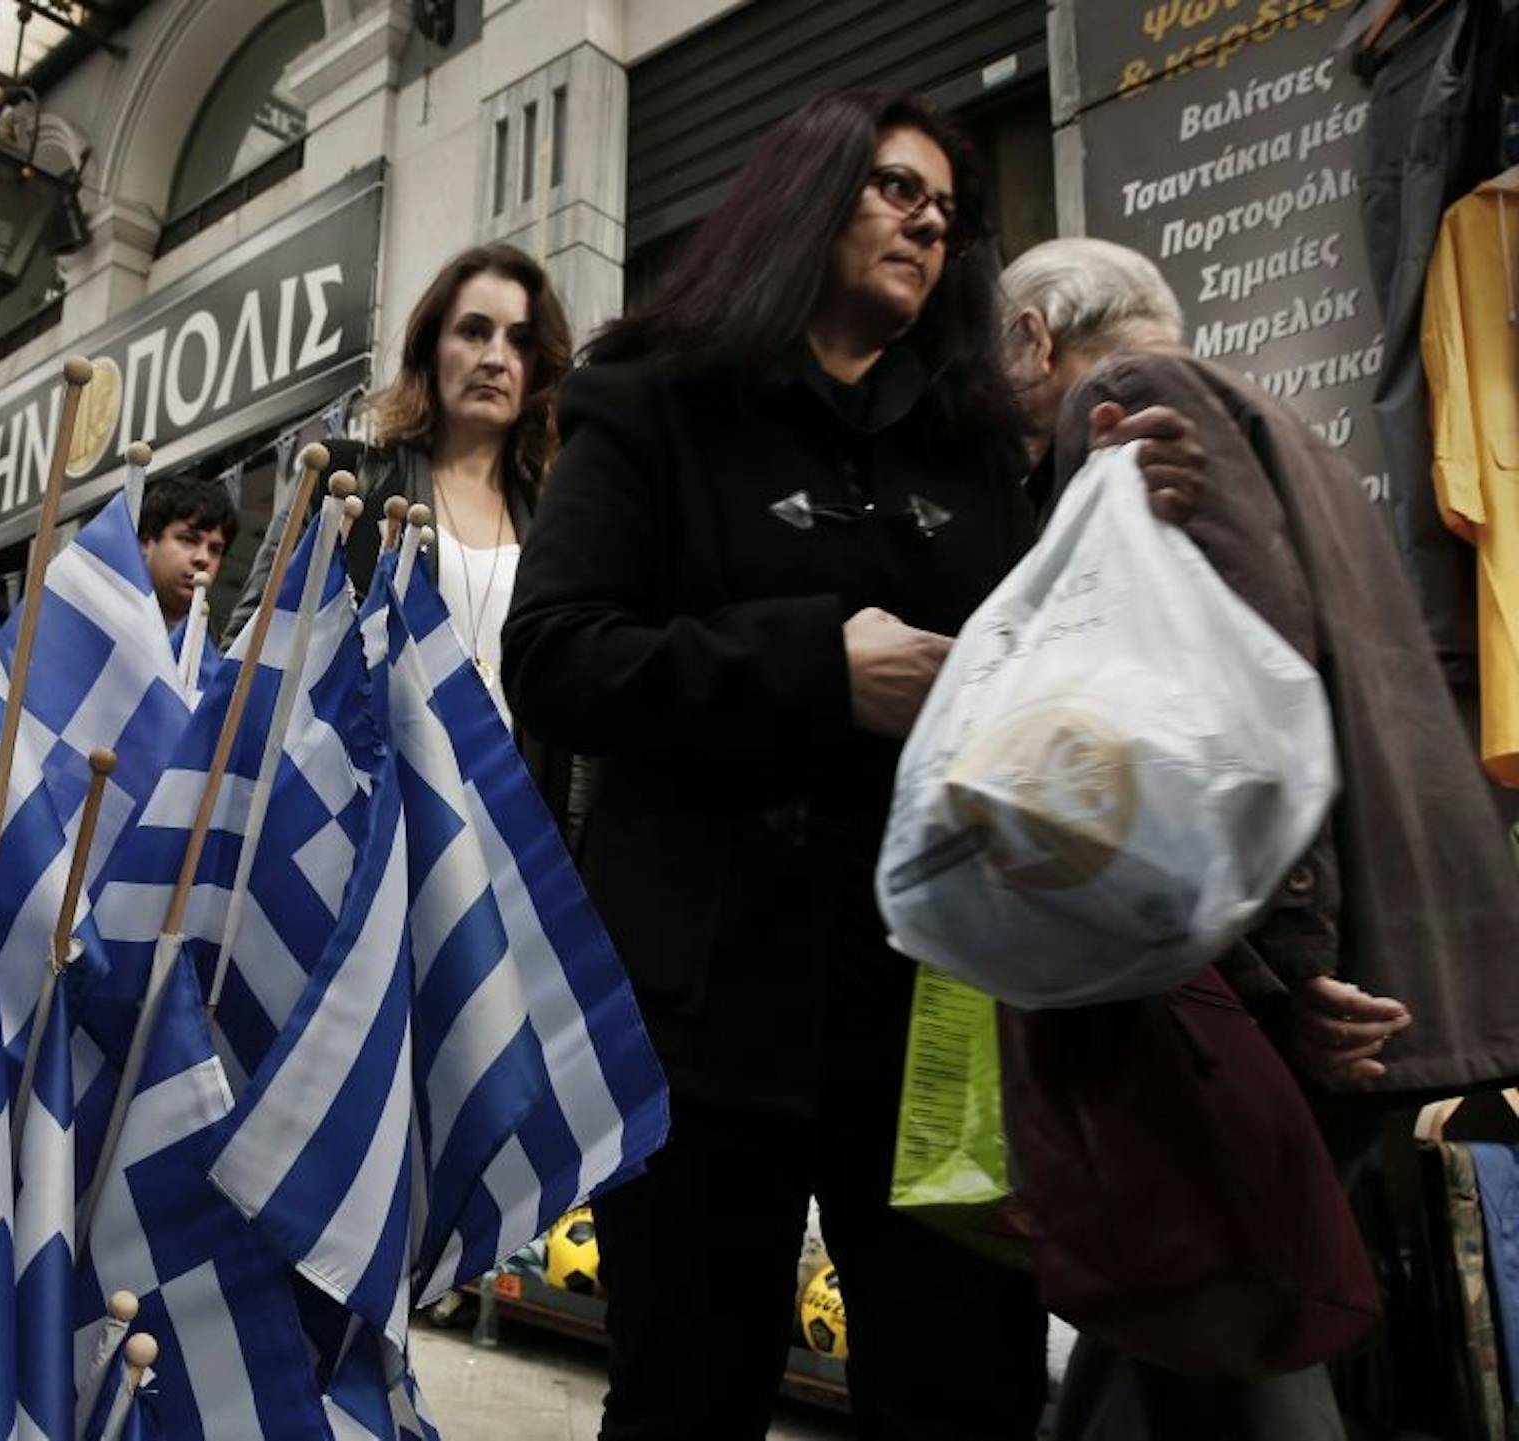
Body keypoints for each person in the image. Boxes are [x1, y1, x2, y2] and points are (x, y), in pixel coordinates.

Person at [500, 90, 1203, 1441]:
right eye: (896, 187)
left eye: (948, 205)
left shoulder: (979, 450)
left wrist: (1115, 521)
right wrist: (819, 666)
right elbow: (561, 656)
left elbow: (1053, 693)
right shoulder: (653, 400)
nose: (931, 218)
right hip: (705, 1005)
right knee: (687, 1386)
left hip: (933, 1013)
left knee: (966, 1386)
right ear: (806, 196)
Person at [1000, 236, 1519, 1441]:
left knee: (1230, 1335)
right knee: (1176, 1348)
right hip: (1345, 976)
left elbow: (1239, 701)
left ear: (1034, 337)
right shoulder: (1292, 429)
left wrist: (1286, 975)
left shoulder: (1126, 404)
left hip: (1260, 1005)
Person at [226, 244, 572, 732]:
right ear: (431, 347)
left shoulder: (556, 525)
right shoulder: (342, 482)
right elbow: (246, 654)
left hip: (510, 801)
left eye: (520, 341)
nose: (496, 358)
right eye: (473, 332)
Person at [137, 473, 237, 632]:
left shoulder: (211, 651)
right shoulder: (97, 618)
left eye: (215, 549)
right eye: (188, 540)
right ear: (146, 543)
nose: (204, 559)